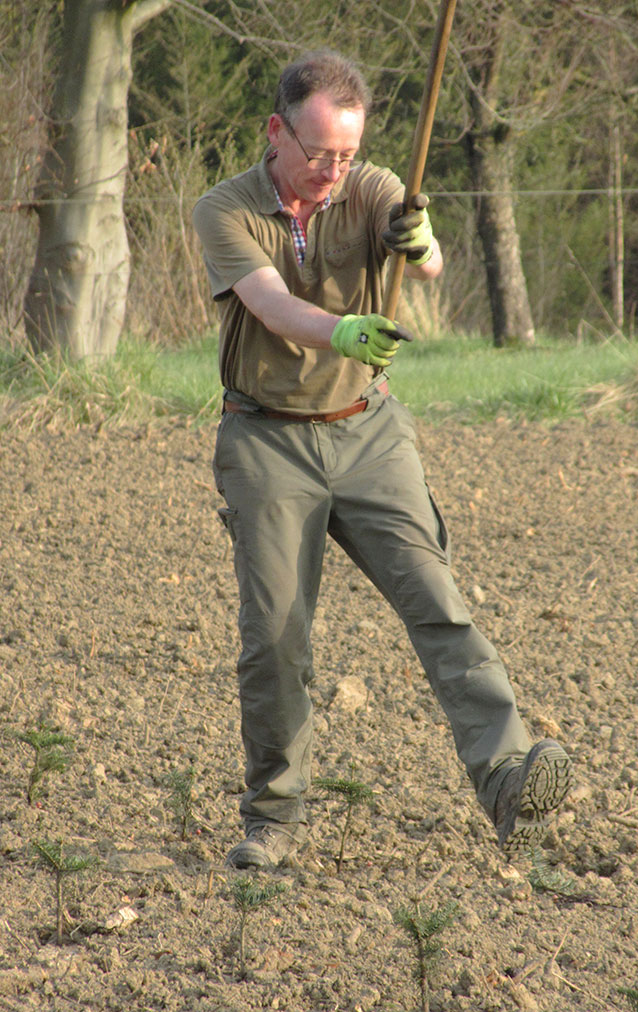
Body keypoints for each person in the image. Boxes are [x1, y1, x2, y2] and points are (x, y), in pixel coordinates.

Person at [193, 49, 572, 871]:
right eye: (319, 153)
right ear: (276, 131)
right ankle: (272, 820)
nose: (334, 171)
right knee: (276, 636)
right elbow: (268, 302)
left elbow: (426, 259)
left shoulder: (368, 187)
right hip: (266, 440)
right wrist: (343, 329)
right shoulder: (226, 208)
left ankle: (509, 780)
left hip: (368, 430)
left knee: (437, 601)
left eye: (347, 155)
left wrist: (423, 240)